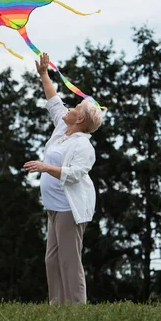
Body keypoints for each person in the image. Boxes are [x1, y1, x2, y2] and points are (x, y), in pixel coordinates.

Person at [24, 53, 104, 305]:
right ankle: (57, 305)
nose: (70, 108)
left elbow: (75, 174)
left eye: (76, 108)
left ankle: (77, 308)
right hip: (53, 206)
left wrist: (46, 167)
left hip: (70, 208)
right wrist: (44, 74)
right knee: (52, 259)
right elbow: (53, 101)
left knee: (70, 259)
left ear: (80, 119)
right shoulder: (62, 128)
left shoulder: (84, 146)